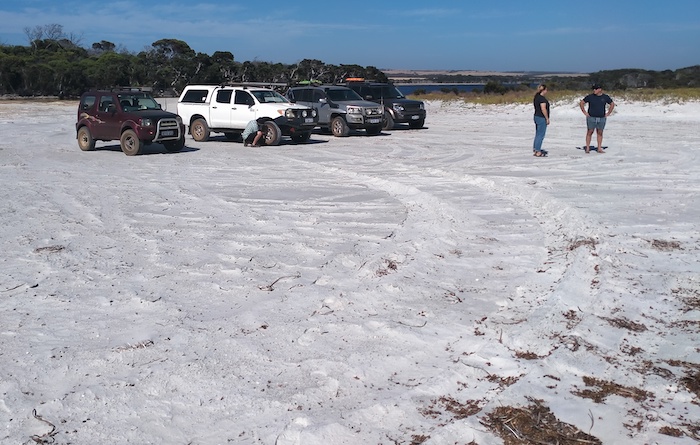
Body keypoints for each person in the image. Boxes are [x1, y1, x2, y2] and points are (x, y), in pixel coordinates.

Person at [580, 84, 615, 153]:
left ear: (600, 89)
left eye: (595, 89)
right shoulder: (590, 97)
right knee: (590, 132)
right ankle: (587, 147)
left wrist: (608, 113)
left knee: (600, 133)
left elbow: (612, 104)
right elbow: (582, 103)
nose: (594, 90)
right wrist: (584, 112)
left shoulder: (605, 97)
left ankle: (599, 148)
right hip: (591, 117)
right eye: (593, 89)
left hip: (601, 117)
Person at [532, 84, 550, 157]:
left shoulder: (536, 97)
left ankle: (536, 149)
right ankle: (538, 151)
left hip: (536, 116)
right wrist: (547, 118)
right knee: (540, 134)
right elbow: (543, 109)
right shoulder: (542, 99)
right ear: (544, 90)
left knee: (538, 134)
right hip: (541, 117)